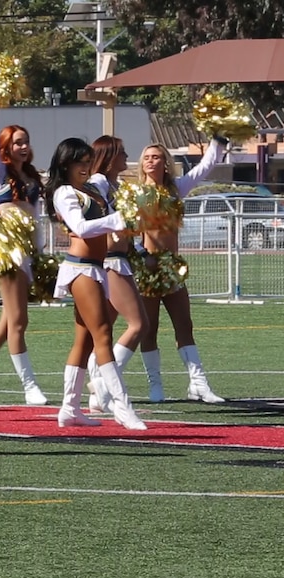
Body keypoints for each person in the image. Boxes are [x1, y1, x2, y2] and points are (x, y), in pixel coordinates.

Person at [44, 138, 146, 430]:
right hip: (80, 269)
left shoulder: (91, 188)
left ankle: (69, 408)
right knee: (103, 333)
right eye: (81, 162)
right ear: (66, 164)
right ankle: (122, 406)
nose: (87, 168)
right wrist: (117, 220)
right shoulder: (64, 192)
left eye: (89, 162)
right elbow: (81, 228)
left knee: (85, 340)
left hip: (97, 268)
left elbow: (110, 202)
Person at [137, 139, 227, 403]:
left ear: (166, 162)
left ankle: (198, 384)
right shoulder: (135, 193)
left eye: (156, 157)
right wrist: (142, 256)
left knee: (184, 325)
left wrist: (218, 139)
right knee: (148, 328)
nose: (151, 161)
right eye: (147, 157)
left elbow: (205, 167)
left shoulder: (176, 189)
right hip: (148, 269)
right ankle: (155, 384)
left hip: (172, 269)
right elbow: (128, 230)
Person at [0, 111, 48, 405]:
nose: (23, 146)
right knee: (19, 321)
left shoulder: (31, 175)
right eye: (17, 142)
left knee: (8, 320)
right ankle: (29, 386)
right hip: (9, 253)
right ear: (6, 146)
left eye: (26, 142)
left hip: (29, 251)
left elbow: (35, 215)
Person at [83, 136, 146, 413]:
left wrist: (142, 250)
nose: (127, 156)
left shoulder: (115, 186)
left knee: (102, 331)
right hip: (110, 260)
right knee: (138, 325)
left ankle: (96, 398)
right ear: (109, 157)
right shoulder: (97, 183)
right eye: (121, 153)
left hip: (119, 257)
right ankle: (105, 384)